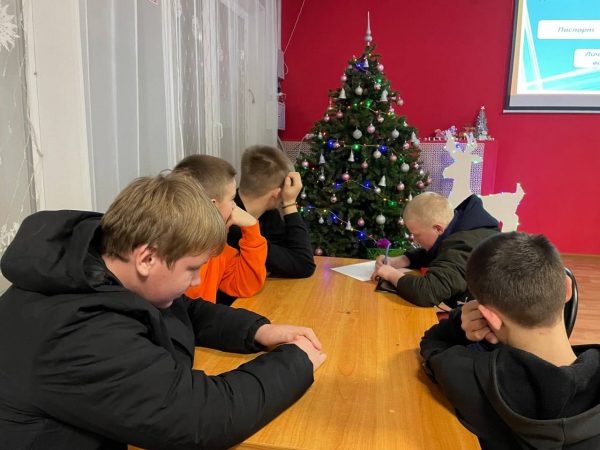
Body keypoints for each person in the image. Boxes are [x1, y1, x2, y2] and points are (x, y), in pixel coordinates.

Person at [0, 172, 326, 450]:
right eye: (192, 269)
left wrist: (258, 331)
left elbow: (186, 310)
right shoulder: (80, 332)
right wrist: (297, 361)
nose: (197, 280)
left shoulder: (101, 265)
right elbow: (202, 417)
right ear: (146, 258)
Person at [420, 232, 600, 450]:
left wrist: (460, 321)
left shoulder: (472, 378)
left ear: (488, 317)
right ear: (568, 288)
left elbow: (433, 342)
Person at [371, 192, 499, 307]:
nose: (414, 240)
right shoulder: (461, 227)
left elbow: (428, 292)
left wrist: (390, 274)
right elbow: (437, 252)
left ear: (437, 228)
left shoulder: (465, 245)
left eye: (417, 235)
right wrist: (400, 260)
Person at [173, 154, 268, 303]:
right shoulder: (173, 251)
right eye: (232, 199)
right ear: (212, 206)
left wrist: (251, 228)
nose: (235, 206)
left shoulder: (217, 247)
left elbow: (245, 285)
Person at [228, 145, 316, 279]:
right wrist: (289, 203)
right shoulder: (233, 225)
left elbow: (292, 256)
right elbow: (304, 265)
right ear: (277, 193)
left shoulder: (268, 214)